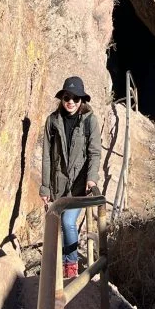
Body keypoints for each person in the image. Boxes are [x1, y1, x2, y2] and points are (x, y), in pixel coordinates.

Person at [39, 76, 101, 279]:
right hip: (58, 184)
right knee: (55, 225)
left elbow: (94, 152)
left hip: (79, 185)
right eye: (67, 97)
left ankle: (71, 266)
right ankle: (57, 267)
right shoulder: (52, 121)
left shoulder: (90, 121)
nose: (71, 102)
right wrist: (45, 188)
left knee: (68, 223)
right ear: (62, 97)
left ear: (82, 100)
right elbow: (47, 156)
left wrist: (91, 179)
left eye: (76, 98)